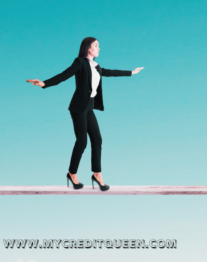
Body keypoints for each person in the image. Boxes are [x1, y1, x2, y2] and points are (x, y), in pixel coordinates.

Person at [27, 37, 143, 191]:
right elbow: (65, 75)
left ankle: (97, 174)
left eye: (99, 46)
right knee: (82, 142)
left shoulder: (96, 66)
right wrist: (44, 83)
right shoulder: (80, 62)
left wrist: (131, 72)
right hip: (78, 107)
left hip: (89, 107)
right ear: (88, 47)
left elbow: (109, 72)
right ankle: (72, 173)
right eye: (96, 46)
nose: (99, 48)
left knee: (97, 139)